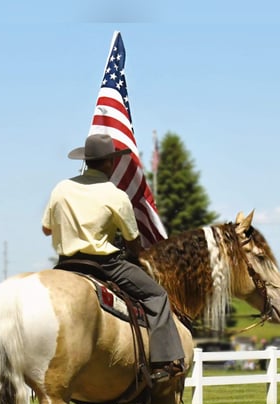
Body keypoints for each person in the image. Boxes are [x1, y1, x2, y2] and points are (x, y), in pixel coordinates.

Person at [41, 133, 185, 384]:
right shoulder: (115, 195)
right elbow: (132, 242)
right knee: (157, 296)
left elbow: (47, 229)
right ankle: (165, 361)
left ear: (86, 161)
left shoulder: (61, 188)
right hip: (104, 265)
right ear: (109, 163)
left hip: (65, 264)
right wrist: (135, 254)